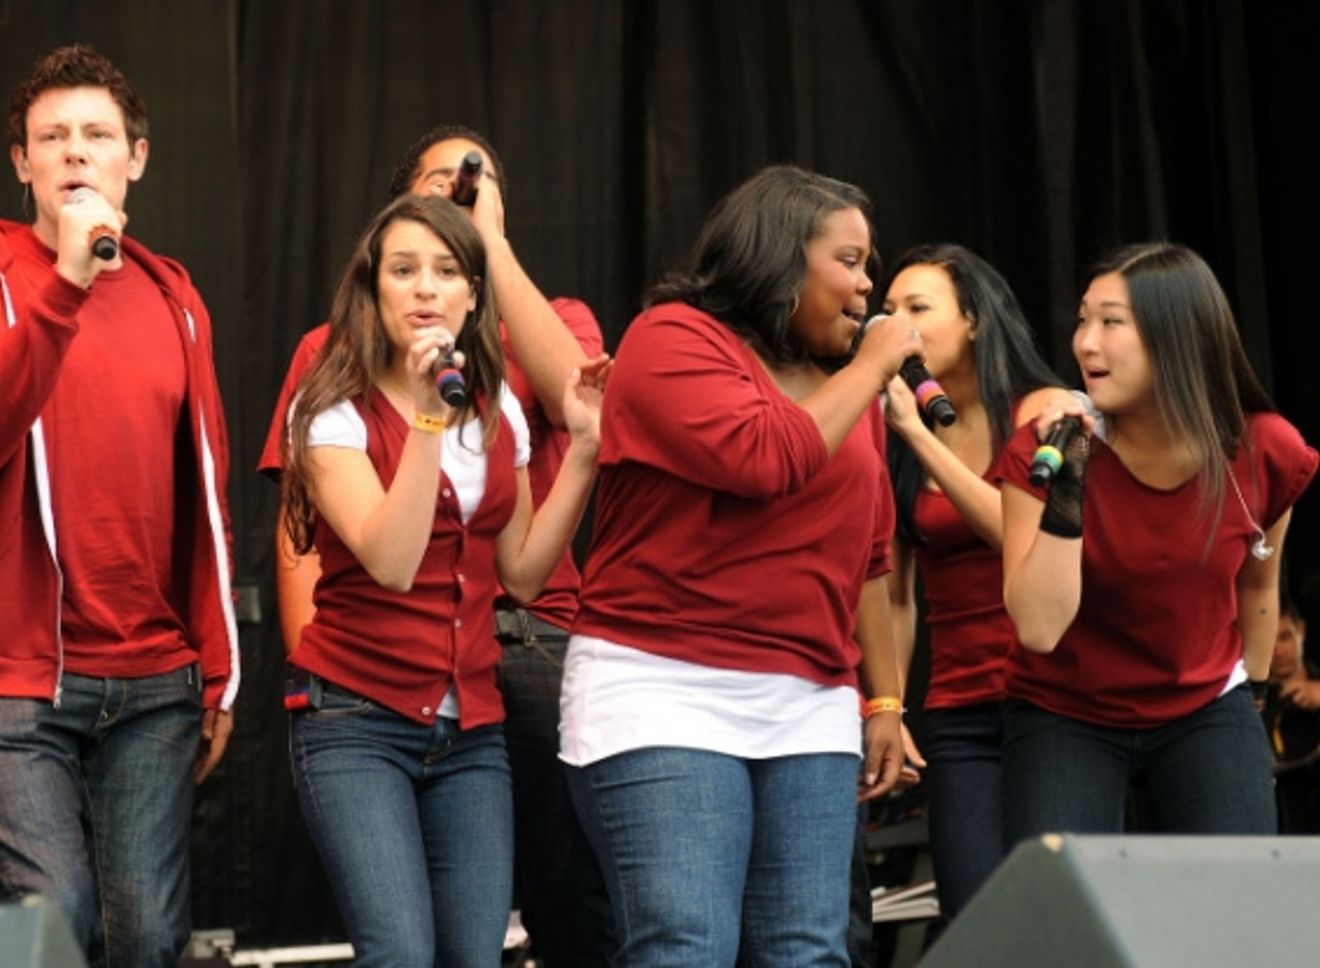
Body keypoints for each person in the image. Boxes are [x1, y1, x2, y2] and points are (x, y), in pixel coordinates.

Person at [257, 125, 613, 964]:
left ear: (475, 293)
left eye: (448, 271)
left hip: (471, 730)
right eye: (404, 270)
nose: (426, 289)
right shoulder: (330, 402)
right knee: (401, 954)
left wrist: (586, 451)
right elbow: (390, 560)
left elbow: (523, 572)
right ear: (371, 288)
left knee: (473, 955)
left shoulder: (496, 408)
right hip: (356, 720)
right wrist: (425, 417)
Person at [0, 44, 238, 968]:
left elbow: (206, 493)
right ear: (21, 162)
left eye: (96, 135)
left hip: (152, 679)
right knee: (54, 920)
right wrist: (64, 283)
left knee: (147, 937)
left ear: (135, 158)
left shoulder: (175, 296)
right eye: (51, 137)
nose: (74, 152)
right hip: (9, 676)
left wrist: (218, 666)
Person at [560, 165, 914, 967]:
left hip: (811, 700)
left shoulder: (845, 386)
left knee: (809, 952)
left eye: (869, 264)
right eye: (849, 261)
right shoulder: (671, 338)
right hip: (663, 686)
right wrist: (872, 369)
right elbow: (763, 457)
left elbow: (869, 559)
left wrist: (885, 701)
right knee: (688, 946)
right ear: (782, 256)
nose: (869, 285)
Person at [999, 242, 1317, 845]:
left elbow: (1258, 583)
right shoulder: (1045, 452)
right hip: (1065, 709)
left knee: (1237, 884)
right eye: (1083, 320)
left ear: (1178, 338)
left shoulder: (1265, 450)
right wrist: (1069, 487)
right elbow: (1039, 628)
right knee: (1060, 896)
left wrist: (1252, 698)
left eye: (1111, 322)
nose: (1085, 343)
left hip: (1205, 703)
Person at [879, 244, 1062, 919]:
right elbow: (895, 596)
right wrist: (889, 706)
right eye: (888, 309)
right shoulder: (894, 438)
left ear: (975, 321)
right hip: (959, 710)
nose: (896, 324)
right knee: (974, 912)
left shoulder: (1040, 410)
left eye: (918, 307)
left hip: (1053, 700)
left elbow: (1020, 531)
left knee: (1055, 916)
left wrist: (922, 438)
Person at [1265, 597, 1320, 832]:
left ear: (1302, 631)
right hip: (1273, 826)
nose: (1278, 651)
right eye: (1268, 640)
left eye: (1285, 637)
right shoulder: (1246, 703)